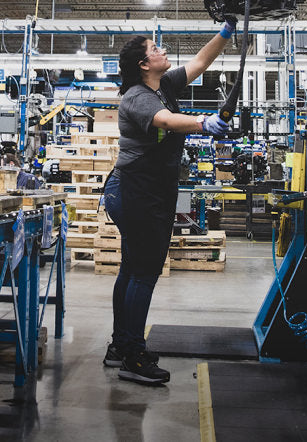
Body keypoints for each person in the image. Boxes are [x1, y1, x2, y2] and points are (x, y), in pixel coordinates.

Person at [103, 20, 236, 385]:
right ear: (144, 64)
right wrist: (202, 122)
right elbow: (166, 120)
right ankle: (133, 355)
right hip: (134, 193)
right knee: (144, 274)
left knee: (132, 271)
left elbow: (199, 63)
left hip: (143, 192)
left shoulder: (164, 84)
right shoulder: (138, 97)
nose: (162, 50)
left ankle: (120, 346)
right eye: (155, 48)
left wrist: (226, 33)